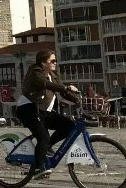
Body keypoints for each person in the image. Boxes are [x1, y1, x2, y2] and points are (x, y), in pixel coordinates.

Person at [16, 49, 79, 180]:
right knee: (43, 137)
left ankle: (48, 146)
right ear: (43, 62)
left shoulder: (53, 75)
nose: (55, 63)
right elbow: (46, 84)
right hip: (28, 109)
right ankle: (39, 168)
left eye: (55, 61)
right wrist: (65, 87)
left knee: (69, 125)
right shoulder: (35, 72)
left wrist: (78, 100)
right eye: (52, 61)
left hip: (44, 111)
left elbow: (62, 91)